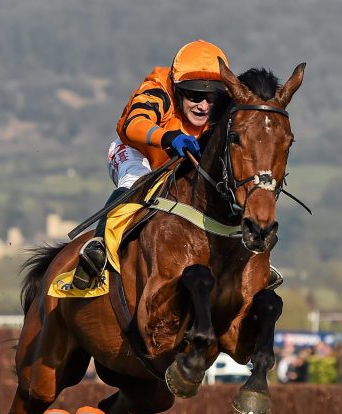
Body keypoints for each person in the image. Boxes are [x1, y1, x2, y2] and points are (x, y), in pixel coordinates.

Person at [70, 40, 231, 291]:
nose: (203, 106)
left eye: (212, 97)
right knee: (138, 181)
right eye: (195, 95)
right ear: (177, 88)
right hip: (136, 151)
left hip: (180, 165)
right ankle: (97, 249)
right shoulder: (158, 88)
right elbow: (131, 125)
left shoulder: (227, 103)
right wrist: (168, 138)